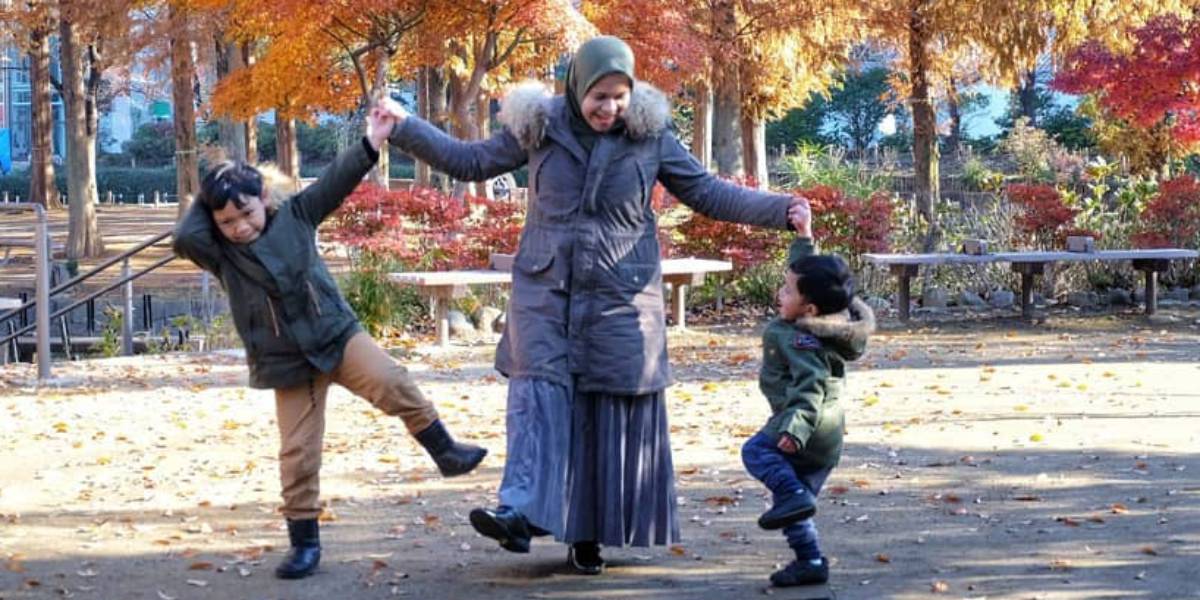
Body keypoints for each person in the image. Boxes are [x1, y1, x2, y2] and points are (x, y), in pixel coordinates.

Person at [382, 35, 810, 574]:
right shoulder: (539, 128)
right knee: (537, 399)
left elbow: (706, 192)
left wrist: (782, 209)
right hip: (544, 291)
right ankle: (517, 511)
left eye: (619, 96)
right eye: (599, 96)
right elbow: (470, 162)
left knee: (603, 415)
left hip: (619, 298)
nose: (608, 108)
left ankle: (587, 536)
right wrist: (404, 126)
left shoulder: (649, 137)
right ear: (577, 86)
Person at [171, 105, 487, 581]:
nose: (240, 227)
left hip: (336, 336)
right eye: (227, 221)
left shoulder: (297, 213)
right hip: (285, 362)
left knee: (393, 381)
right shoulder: (221, 255)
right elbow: (184, 236)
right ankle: (304, 543)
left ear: (265, 197)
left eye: (247, 213)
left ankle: (445, 451)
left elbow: (335, 181)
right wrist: (213, 187)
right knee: (297, 452)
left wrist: (372, 142)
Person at [740, 203, 874, 587]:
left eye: (786, 291)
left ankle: (793, 497)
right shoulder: (819, 321)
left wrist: (795, 429)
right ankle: (811, 562)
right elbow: (806, 274)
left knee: (756, 452)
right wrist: (803, 237)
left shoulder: (802, 338)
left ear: (808, 308)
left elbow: (811, 387)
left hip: (807, 426)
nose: (779, 293)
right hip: (826, 436)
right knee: (795, 505)